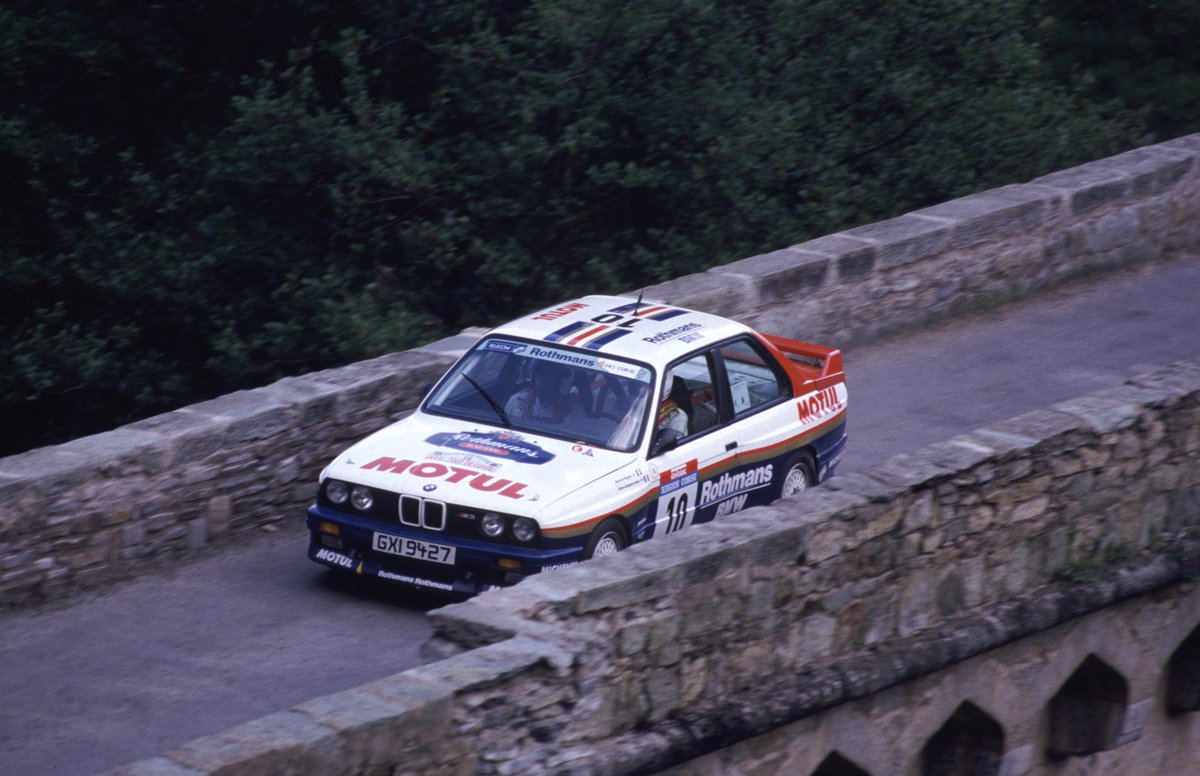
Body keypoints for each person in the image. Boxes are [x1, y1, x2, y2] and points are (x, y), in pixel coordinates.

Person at [504, 360, 584, 424]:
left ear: (559, 382)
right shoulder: (517, 400)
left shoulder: (572, 411)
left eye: (551, 379)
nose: (545, 384)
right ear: (535, 380)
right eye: (542, 378)